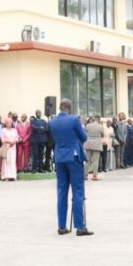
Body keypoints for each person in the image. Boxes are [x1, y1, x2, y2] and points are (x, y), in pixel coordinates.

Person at [51, 98, 91, 236]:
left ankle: (61, 226)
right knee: (78, 191)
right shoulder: (74, 120)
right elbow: (84, 137)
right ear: (69, 107)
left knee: (62, 192)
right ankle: (80, 227)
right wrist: (82, 125)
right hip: (73, 157)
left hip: (60, 158)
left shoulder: (53, 121)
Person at [0, 117, 19, 181]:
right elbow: (2, 139)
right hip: (6, 147)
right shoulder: (3, 130)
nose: (9, 124)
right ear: (5, 123)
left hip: (13, 148)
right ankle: (6, 177)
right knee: (6, 162)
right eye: (7, 122)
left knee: (12, 161)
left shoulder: (14, 130)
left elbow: (17, 138)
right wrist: (9, 142)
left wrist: (14, 142)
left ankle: (13, 176)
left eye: (10, 122)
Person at [84, 116, 104, 181]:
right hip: (97, 144)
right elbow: (102, 135)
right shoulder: (100, 126)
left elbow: (85, 132)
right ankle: (95, 176)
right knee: (95, 161)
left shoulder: (88, 125)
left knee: (87, 160)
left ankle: (85, 175)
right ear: (99, 120)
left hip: (88, 143)